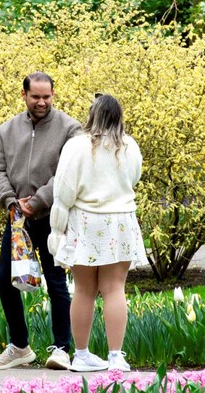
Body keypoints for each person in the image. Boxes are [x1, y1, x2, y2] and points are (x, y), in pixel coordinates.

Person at [0, 72, 83, 371]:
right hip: (17, 219)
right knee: (5, 282)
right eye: (35, 97)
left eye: (47, 96)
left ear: (54, 94)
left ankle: (62, 348)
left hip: (52, 217)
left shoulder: (70, 129)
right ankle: (20, 346)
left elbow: (69, 174)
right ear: (24, 95)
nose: (41, 102)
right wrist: (11, 201)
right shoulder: (7, 130)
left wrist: (38, 200)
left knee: (56, 283)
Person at [49, 94, 148, 373]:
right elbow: (135, 177)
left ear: (92, 115)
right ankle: (116, 356)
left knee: (84, 290)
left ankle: (81, 355)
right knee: (115, 289)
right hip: (120, 220)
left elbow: (63, 190)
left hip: (85, 221)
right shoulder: (129, 146)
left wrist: (57, 230)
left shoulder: (77, 146)